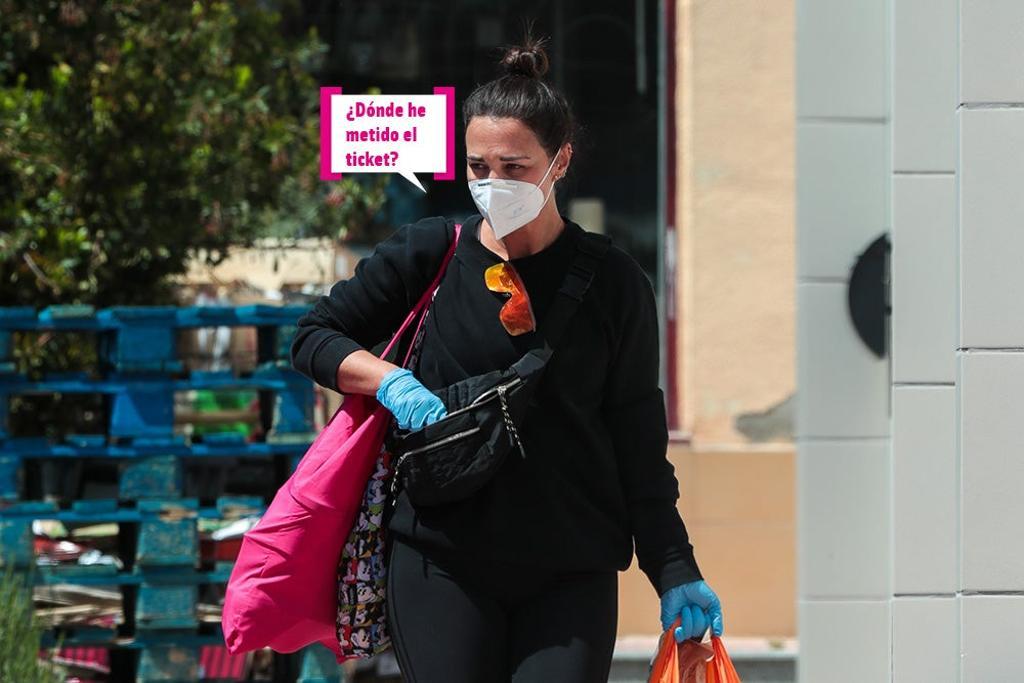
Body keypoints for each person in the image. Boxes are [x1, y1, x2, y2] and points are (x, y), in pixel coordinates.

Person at [291, 34, 723, 683]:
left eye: (515, 167)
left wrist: (675, 567)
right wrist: (390, 380)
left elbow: (638, 440)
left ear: (561, 161)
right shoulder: (430, 255)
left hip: (569, 574)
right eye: (478, 167)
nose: (494, 184)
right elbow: (313, 336)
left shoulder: (614, 283)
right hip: (441, 562)